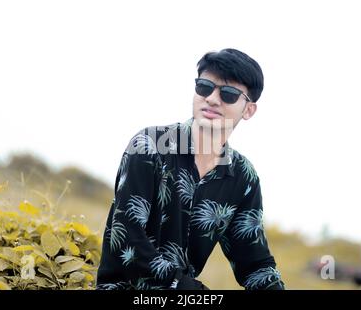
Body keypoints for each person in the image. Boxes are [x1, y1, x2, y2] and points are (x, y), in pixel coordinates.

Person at [96, 48, 285, 290]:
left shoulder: (243, 177)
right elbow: (127, 240)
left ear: (248, 109)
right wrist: (183, 285)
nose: (212, 99)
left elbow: (254, 264)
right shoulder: (149, 146)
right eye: (205, 87)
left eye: (228, 94)